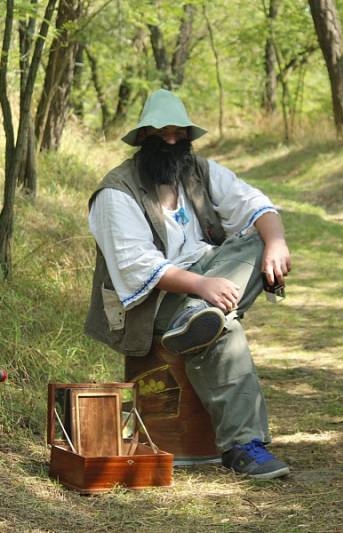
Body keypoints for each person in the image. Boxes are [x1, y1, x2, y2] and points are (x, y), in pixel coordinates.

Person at [85, 89, 292, 479]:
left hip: (204, 285)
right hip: (151, 302)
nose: (172, 143)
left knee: (258, 238)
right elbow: (137, 267)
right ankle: (243, 446)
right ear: (144, 139)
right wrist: (200, 286)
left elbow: (254, 204)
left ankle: (202, 317)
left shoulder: (200, 172)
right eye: (162, 135)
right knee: (223, 331)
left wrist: (276, 241)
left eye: (180, 135)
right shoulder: (116, 192)